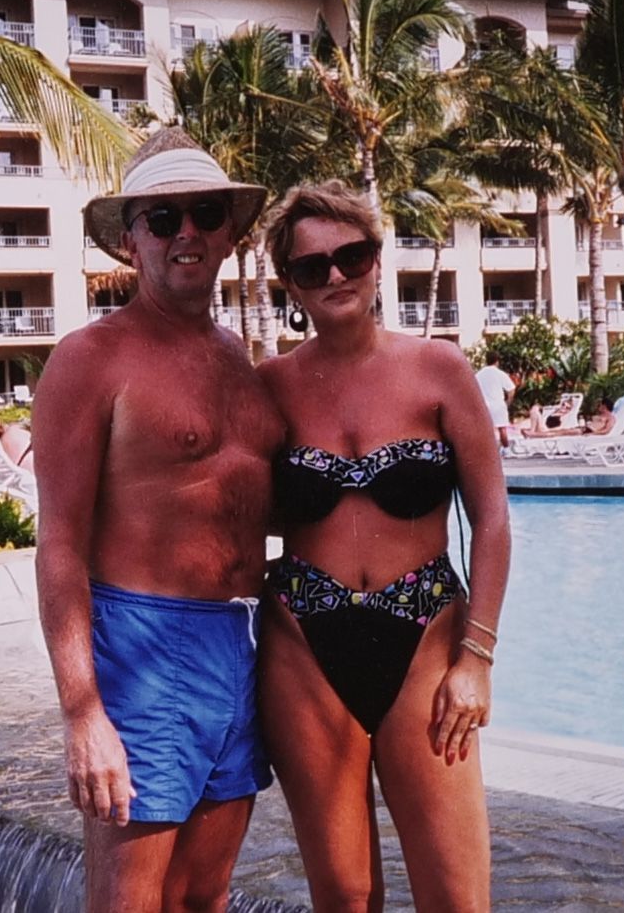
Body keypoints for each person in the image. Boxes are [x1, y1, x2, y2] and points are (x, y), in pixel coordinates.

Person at [33, 128, 284, 911]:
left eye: (205, 213)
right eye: (163, 218)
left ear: (229, 232)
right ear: (131, 241)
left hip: (237, 644)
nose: (187, 233)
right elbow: (59, 544)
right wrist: (83, 713)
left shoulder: (238, 358)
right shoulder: (91, 358)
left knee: (205, 897)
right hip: (141, 645)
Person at [256, 181, 511, 911]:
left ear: (376, 259)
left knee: (457, 898)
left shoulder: (439, 369)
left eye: (352, 255)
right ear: (291, 284)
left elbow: (491, 518)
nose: (336, 275)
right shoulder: (269, 387)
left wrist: (477, 658)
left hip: (426, 640)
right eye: (312, 267)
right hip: (303, 645)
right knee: (344, 896)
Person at [475, 351, 516, 448]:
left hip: (484, 406)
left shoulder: (479, 375)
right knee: (502, 429)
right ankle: (505, 449)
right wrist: (508, 402)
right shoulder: (500, 373)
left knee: (486, 431)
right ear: (497, 361)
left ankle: (487, 450)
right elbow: (511, 389)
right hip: (498, 405)